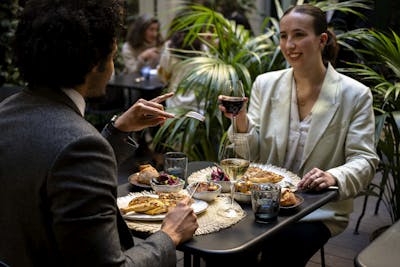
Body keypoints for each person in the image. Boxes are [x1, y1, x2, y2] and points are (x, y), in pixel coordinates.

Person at [0, 1, 198, 266]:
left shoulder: (6, 111)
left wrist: (117, 131)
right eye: (113, 55)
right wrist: (168, 235)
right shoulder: (80, 145)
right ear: (96, 63)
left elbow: (57, 171)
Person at [219, 4, 379, 266]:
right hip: (261, 200)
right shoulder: (265, 84)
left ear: (322, 40)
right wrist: (242, 119)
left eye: (298, 35)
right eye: (283, 36)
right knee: (227, 245)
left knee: (281, 253)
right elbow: (251, 153)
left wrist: (332, 175)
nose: (289, 44)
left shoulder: (355, 95)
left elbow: (364, 160)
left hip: (316, 209)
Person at [158, 14, 203, 111]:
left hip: (176, 103)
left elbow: (163, 76)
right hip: (199, 103)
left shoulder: (169, 47)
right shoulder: (203, 47)